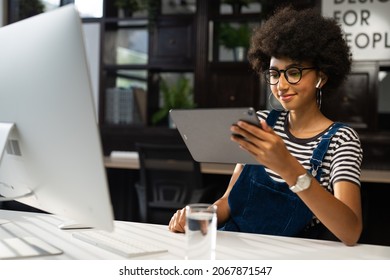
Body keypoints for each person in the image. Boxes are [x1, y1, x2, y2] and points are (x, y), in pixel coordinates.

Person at [168, 6, 363, 246]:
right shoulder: (259, 124)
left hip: (291, 260)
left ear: (321, 77)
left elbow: (351, 231)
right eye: (274, 74)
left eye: (293, 72)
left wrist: (288, 166)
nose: (281, 85)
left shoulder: (341, 139)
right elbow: (229, 201)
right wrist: (200, 217)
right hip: (236, 249)